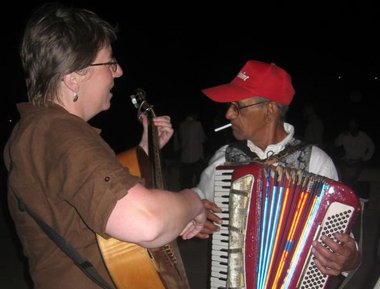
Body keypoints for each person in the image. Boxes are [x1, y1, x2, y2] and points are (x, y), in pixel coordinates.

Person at [2, 3, 206, 289]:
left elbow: (82, 204)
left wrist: (145, 151)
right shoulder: (60, 133)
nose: (119, 71)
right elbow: (146, 222)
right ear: (74, 76)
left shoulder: (37, 130)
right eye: (110, 62)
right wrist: (193, 201)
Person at [192, 60, 361, 277]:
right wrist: (196, 214)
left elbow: (345, 244)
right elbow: (198, 200)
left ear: (270, 110)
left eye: (237, 106)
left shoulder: (316, 162)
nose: (228, 115)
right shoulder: (224, 157)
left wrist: (350, 259)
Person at [334, 117, 375, 200]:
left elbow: (372, 147)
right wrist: (341, 135)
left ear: (357, 126)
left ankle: (348, 191)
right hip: (347, 159)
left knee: (354, 173)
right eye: (350, 125)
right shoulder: (346, 136)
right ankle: (345, 187)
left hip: (358, 159)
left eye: (354, 125)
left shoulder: (363, 136)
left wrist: (365, 158)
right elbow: (336, 144)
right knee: (342, 167)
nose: (352, 127)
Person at [177, 112, 207, 189]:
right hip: (196, 156)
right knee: (201, 180)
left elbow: (180, 141)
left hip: (185, 157)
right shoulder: (197, 124)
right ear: (194, 115)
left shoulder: (181, 125)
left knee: (186, 182)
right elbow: (202, 138)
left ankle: (187, 198)